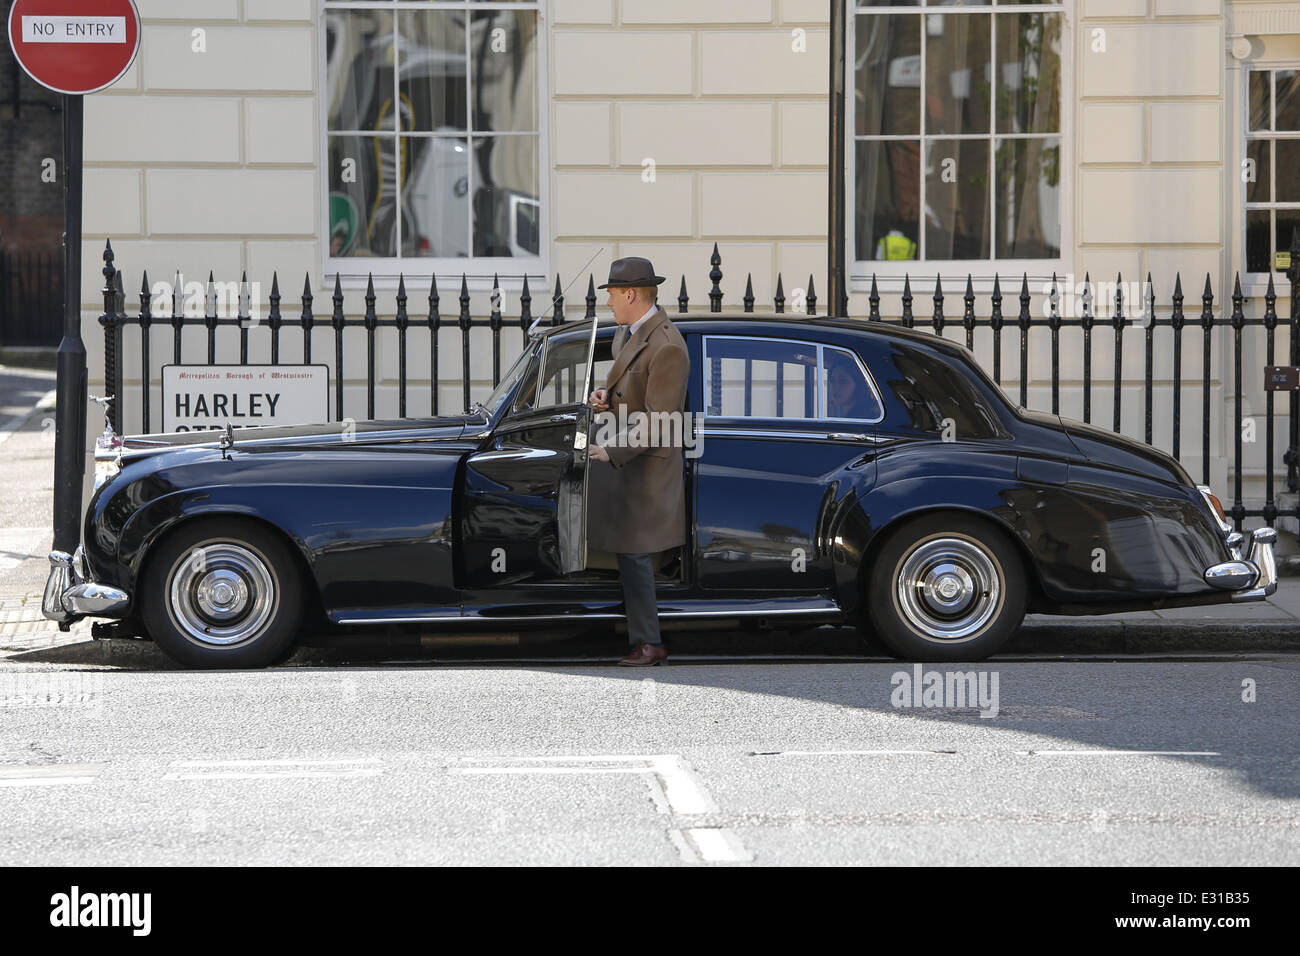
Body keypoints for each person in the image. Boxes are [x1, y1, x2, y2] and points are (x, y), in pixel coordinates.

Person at [586, 257, 690, 666]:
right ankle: (643, 640)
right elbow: (631, 393)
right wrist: (605, 396)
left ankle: (649, 643)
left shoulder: (666, 345)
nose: (609, 302)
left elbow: (661, 419)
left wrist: (612, 450)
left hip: (645, 464)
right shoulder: (628, 332)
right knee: (629, 553)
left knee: (636, 553)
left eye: (611, 293)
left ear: (630, 294)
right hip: (628, 454)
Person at [826, 356, 877, 420]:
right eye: (832, 381)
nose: (836, 387)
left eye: (843, 381)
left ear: (858, 385)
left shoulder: (863, 419)